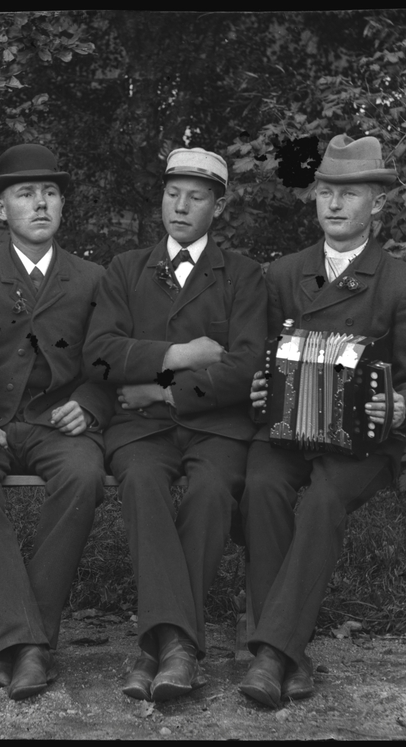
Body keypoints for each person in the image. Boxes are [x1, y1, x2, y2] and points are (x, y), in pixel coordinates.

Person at [239, 134, 406, 709]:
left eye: (349, 193)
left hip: (363, 444)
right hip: (287, 433)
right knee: (261, 485)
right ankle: (290, 654)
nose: (334, 203)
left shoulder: (401, 282)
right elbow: (259, 361)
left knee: (324, 499)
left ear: (377, 204)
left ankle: (271, 654)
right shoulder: (282, 274)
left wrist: (399, 407)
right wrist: (258, 390)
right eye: (326, 191)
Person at [84, 147, 267, 702]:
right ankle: (178, 646)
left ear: (219, 207)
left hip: (217, 427)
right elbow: (100, 353)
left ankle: (159, 648)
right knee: (142, 482)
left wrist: (162, 389)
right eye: (172, 194)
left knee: (211, 491)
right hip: (140, 429)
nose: (181, 207)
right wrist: (180, 355)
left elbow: (245, 366)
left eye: (196, 197)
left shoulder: (242, 275)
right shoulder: (125, 268)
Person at [0, 144, 113, 701]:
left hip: (54, 425)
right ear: (0, 210)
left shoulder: (92, 279)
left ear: (62, 205)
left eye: (50, 193)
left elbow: (109, 360)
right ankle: (28, 643)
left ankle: (25, 641)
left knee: (83, 475)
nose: (40, 203)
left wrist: (89, 403)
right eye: (26, 193)